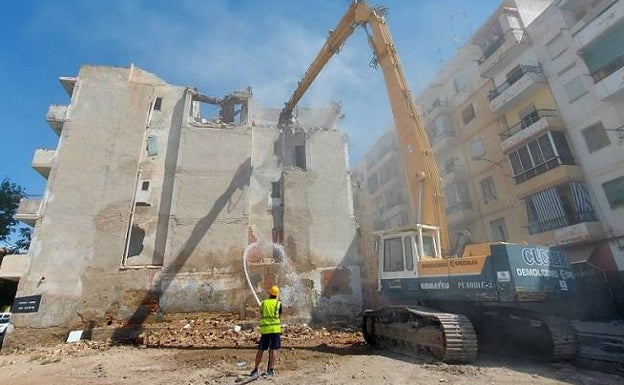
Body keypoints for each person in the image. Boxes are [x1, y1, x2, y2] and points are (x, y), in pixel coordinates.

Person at [250, 285, 282, 377]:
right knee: (273, 349)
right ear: (277, 295)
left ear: (270, 293)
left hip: (265, 330)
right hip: (274, 330)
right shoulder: (278, 304)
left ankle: (255, 369)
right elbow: (279, 316)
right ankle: (271, 370)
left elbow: (262, 313)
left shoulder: (263, 303)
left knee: (261, 349)